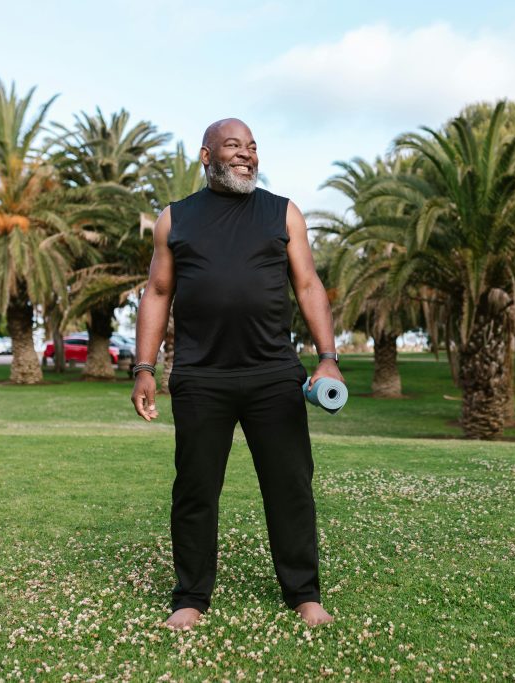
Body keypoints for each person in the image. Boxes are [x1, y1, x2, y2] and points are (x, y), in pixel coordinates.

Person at [130, 118, 343, 629]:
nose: (246, 153)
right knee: (196, 489)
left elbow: (309, 284)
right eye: (233, 145)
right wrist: (143, 367)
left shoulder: (282, 212)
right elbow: (157, 293)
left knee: (290, 486)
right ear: (206, 157)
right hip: (202, 378)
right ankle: (190, 598)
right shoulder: (174, 220)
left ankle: (304, 594)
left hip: (274, 374)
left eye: (252, 147)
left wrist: (328, 356)